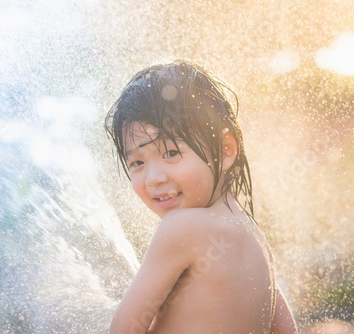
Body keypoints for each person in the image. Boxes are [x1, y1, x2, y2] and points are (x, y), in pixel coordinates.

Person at [104, 60, 297, 334]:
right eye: (137, 163)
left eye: (170, 153)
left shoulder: (180, 228)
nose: (153, 178)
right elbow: (286, 330)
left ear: (226, 149)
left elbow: (124, 328)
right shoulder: (254, 237)